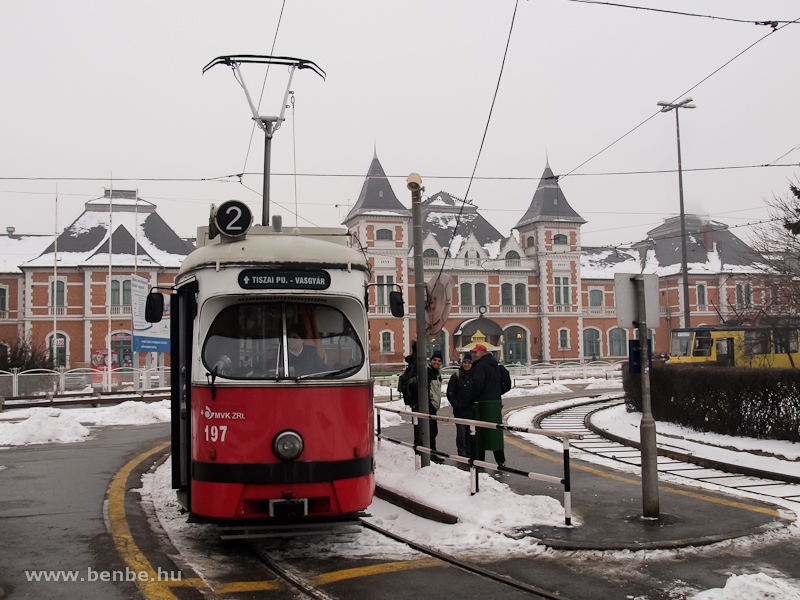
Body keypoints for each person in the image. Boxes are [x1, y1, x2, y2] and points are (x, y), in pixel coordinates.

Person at [469, 344, 506, 466]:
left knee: (480, 433)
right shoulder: (494, 365)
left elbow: (477, 384)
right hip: (495, 402)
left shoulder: (480, 365)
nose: (473, 355)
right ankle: (500, 460)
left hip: (482, 403)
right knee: (495, 432)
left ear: (482, 353)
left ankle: (480, 461)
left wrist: (471, 398)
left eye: (476, 352)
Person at [446, 354, 474, 457]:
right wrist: (456, 405)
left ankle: (470, 451)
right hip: (460, 410)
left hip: (471, 410)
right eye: (465, 362)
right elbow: (450, 392)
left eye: (469, 363)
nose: (467, 365)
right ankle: (462, 452)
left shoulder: (475, 375)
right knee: (461, 433)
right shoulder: (456, 376)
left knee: (471, 432)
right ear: (462, 363)